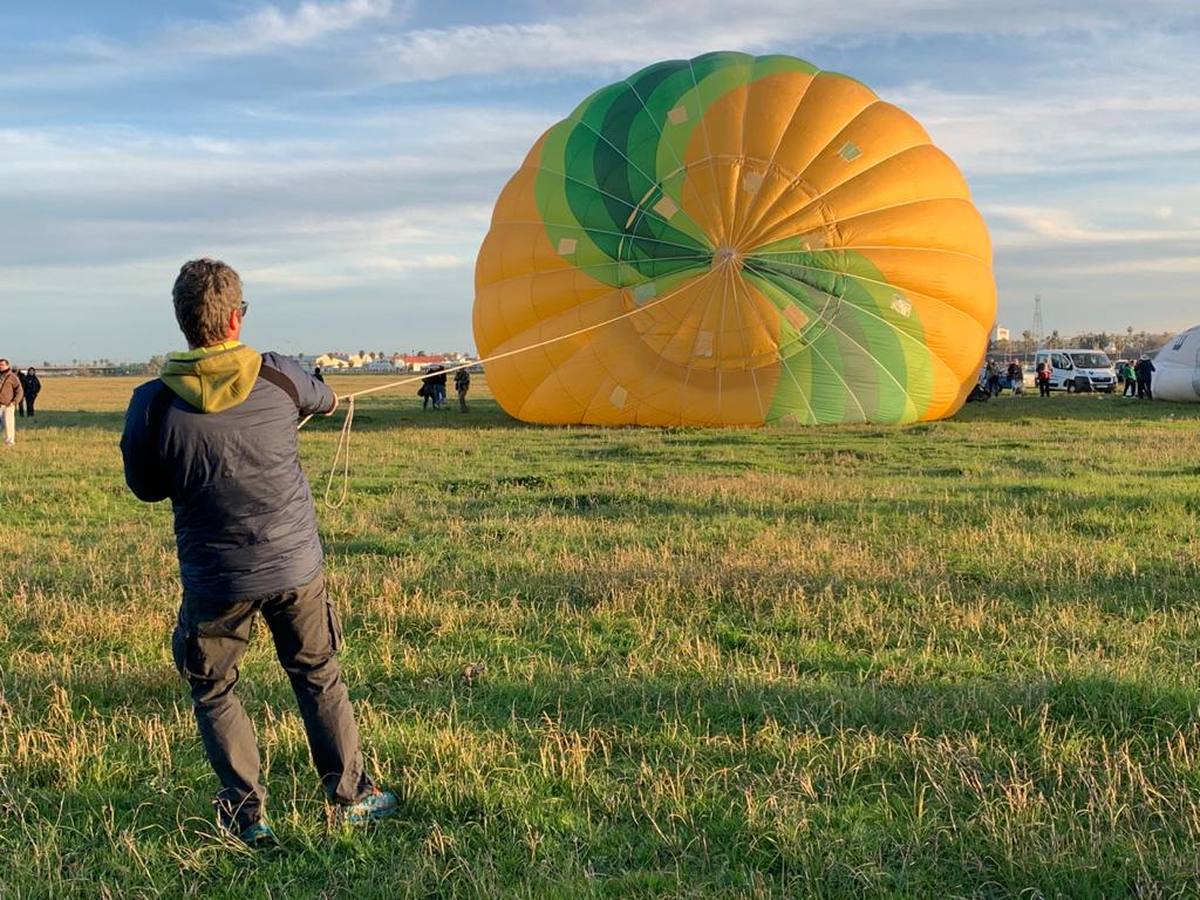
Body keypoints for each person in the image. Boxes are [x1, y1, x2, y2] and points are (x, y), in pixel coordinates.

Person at [120, 259, 396, 846]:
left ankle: (247, 815)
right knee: (318, 673)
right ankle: (351, 796)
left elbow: (145, 486)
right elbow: (322, 397)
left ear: (183, 323)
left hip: (215, 578)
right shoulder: (276, 375)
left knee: (215, 689)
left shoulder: (153, 403)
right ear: (237, 317)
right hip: (295, 567)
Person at [0, 359, 23, 444]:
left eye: (2, 365)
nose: (1, 367)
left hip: (8, 405)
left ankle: (9, 442)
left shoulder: (12, 377)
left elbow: (19, 391)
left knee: (8, 424)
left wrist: (14, 402)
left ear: (7, 366)